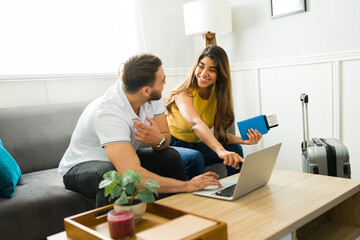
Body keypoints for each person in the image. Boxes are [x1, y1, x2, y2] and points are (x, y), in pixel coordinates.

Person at [58, 53, 220, 208]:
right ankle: (112, 233)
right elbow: (132, 176)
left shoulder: (153, 97)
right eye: (163, 80)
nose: (165, 82)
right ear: (146, 90)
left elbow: (165, 140)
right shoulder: (108, 113)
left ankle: (179, 212)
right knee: (110, 175)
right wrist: (187, 185)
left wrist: (158, 141)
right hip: (79, 167)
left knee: (169, 156)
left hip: (118, 159)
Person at [166, 45, 262, 180]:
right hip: (172, 146)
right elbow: (195, 123)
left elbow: (219, 135)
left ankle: (236, 189)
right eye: (201, 66)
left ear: (220, 74)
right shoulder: (184, 93)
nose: (204, 73)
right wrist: (220, 150)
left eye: (212, 70)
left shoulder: (217, 96)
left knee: (235, 149)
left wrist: (244, 140)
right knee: (195, 158)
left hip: (193, 145)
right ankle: (200, 200)